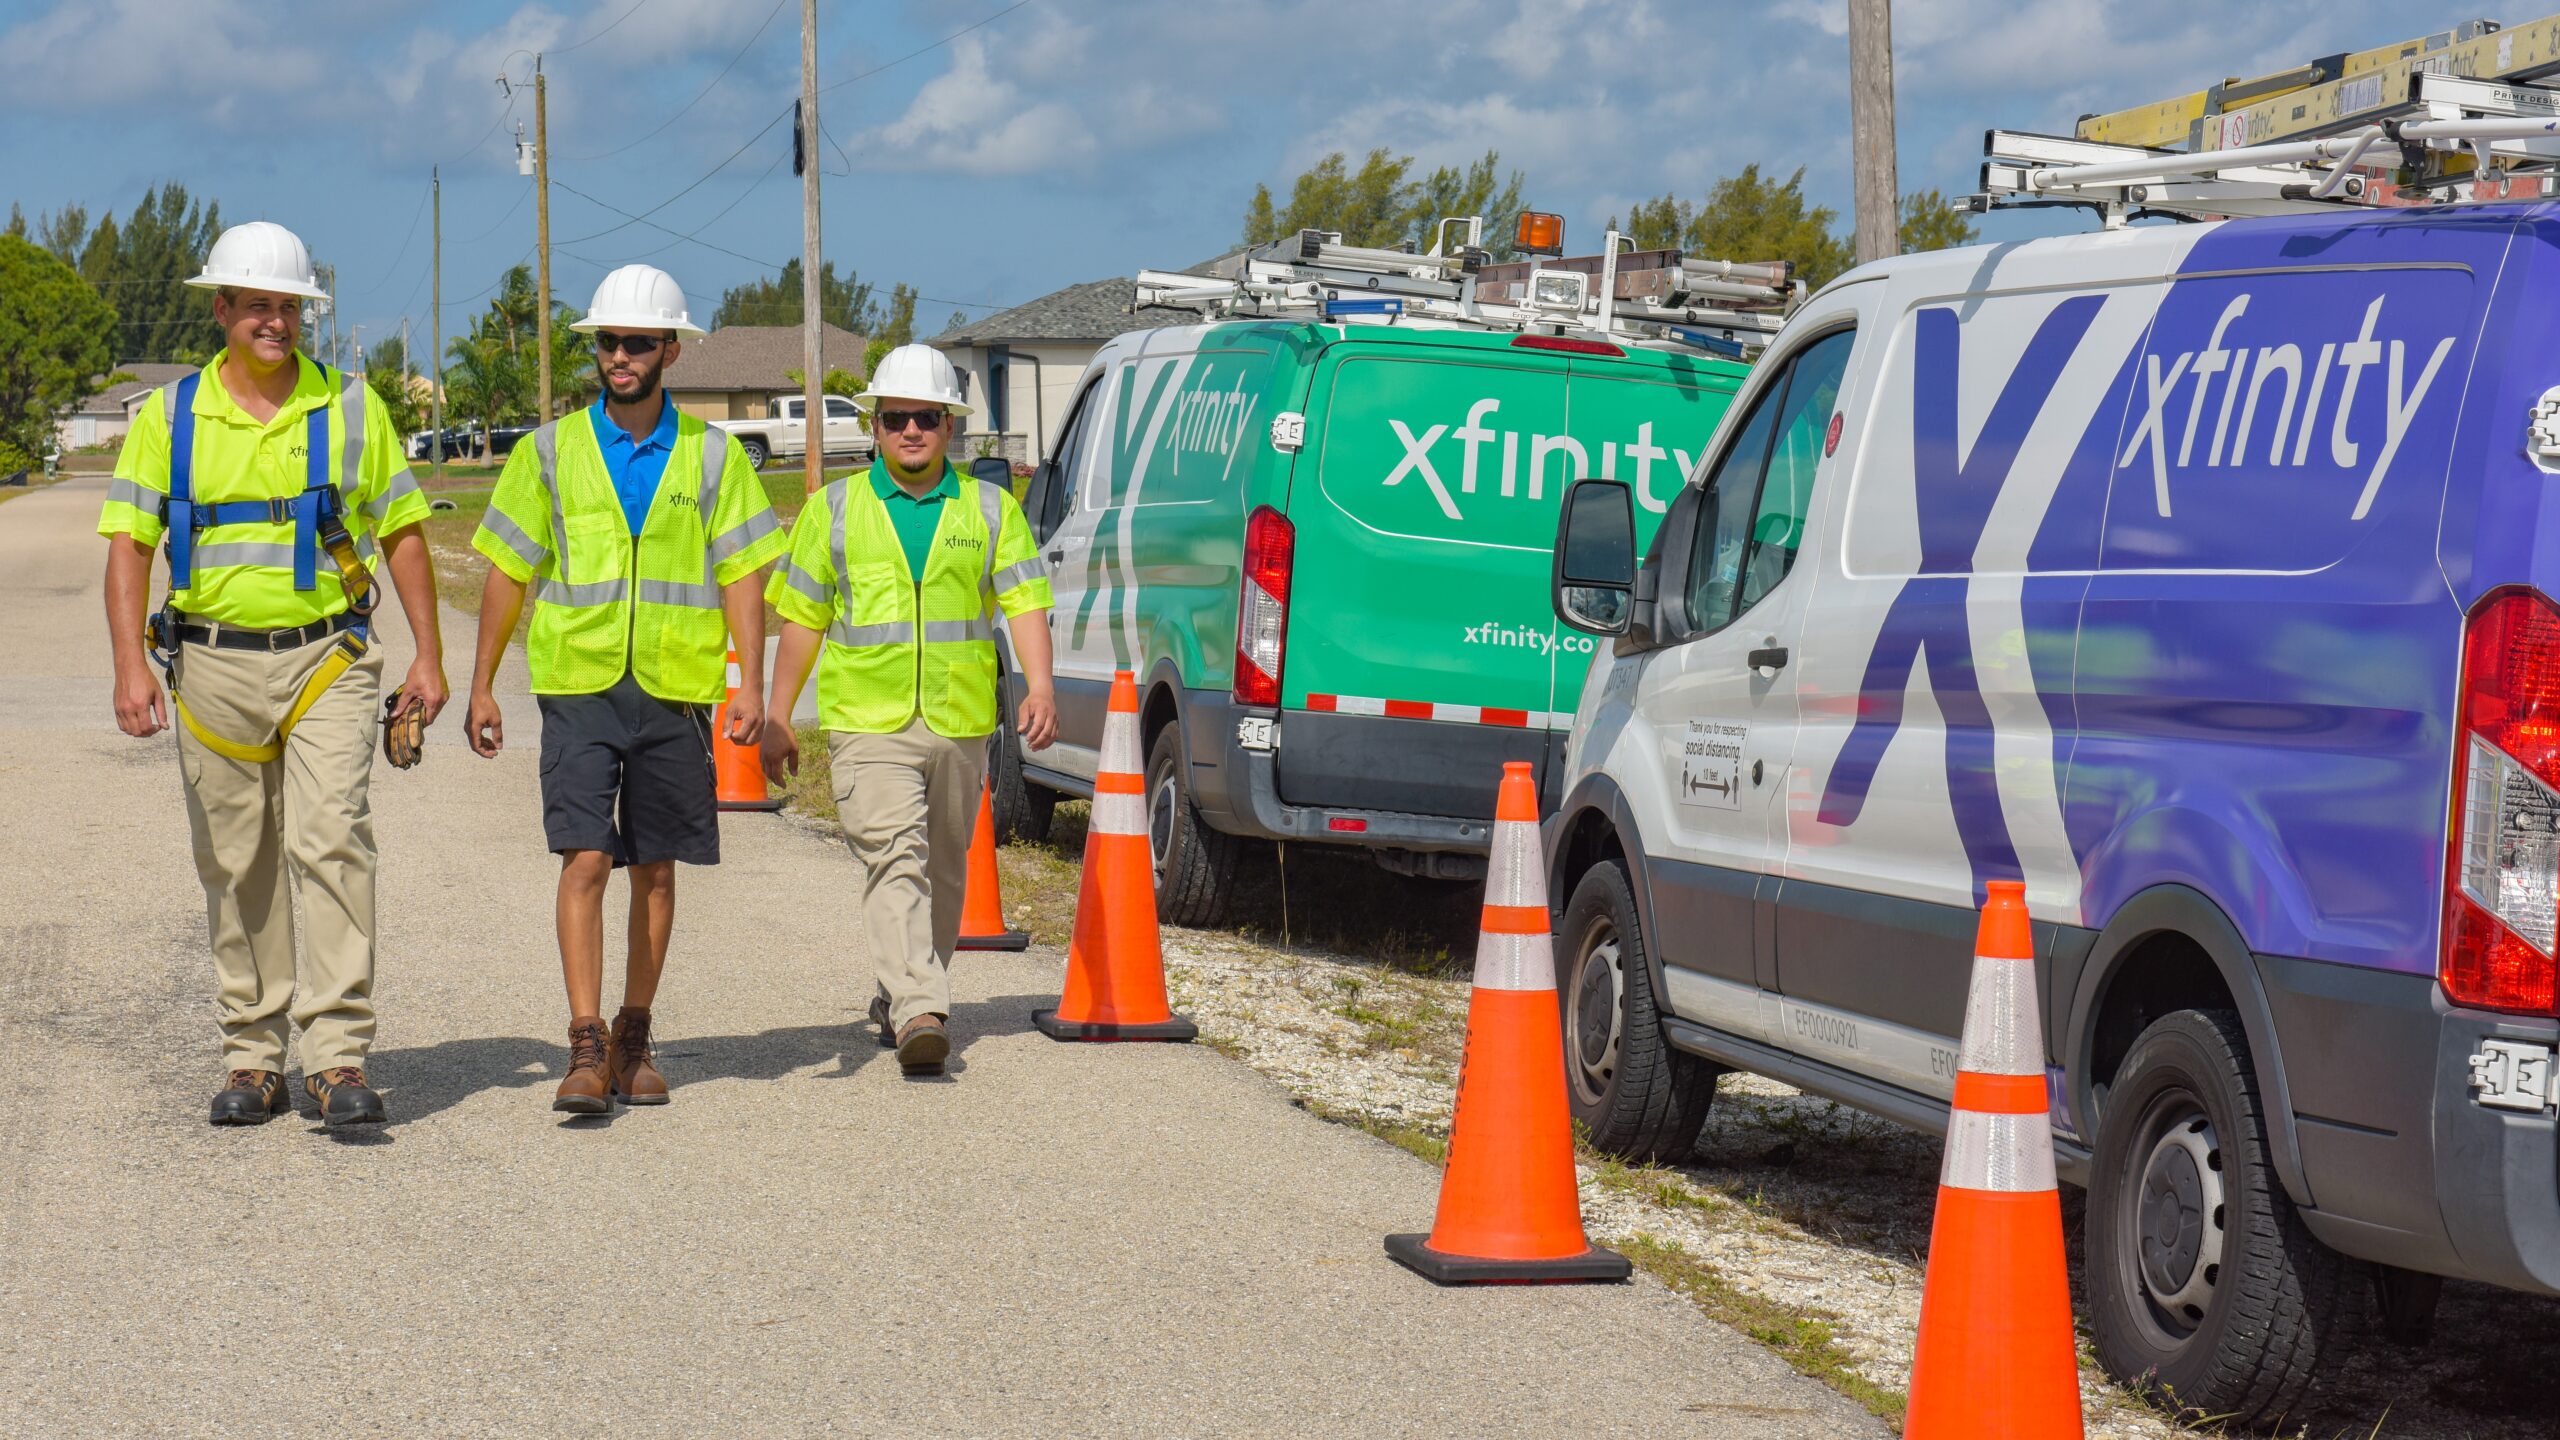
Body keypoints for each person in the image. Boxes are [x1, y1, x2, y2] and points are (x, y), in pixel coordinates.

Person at [99, 220, 448, 1128]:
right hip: (209, 664)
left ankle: (335, 1056)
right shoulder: (167, 416)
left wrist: (430, 656)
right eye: (257, 304)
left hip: (329, 657)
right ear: (221, 309)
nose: (275, 322)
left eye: (288, 307)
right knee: (236, 859)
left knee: (332, 837)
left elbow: (403, 532)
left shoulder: (353, 408)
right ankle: (255, 1057)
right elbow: (131, 547)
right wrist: (129, 665)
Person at [463, 264, 787, 1114]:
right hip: (579, 683)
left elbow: (745, 570)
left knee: (656, 870)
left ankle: (635, 1035)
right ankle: (585, 1043)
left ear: (670, 351)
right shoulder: (549, 450)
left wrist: (749, 682)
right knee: (586, 858)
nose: (619, 356)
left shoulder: (714, 455)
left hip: (675, 688)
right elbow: (506, 566)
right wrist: (482, 684)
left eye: (637, 343)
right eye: (607, 342)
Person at [761, 345, 1057, 1076]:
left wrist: (1040, 687)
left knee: (945, 873)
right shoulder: (834, 509)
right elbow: (801, 617)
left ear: (949, 427)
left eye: (927, 418)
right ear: (876, 426)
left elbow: (1025, 602)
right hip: (869, 720)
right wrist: (776, 714)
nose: (912, 431)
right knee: (897, 859)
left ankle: (902, 990)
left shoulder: (989, 508)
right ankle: (923, 1006)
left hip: (959, 722)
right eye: (897, 420)